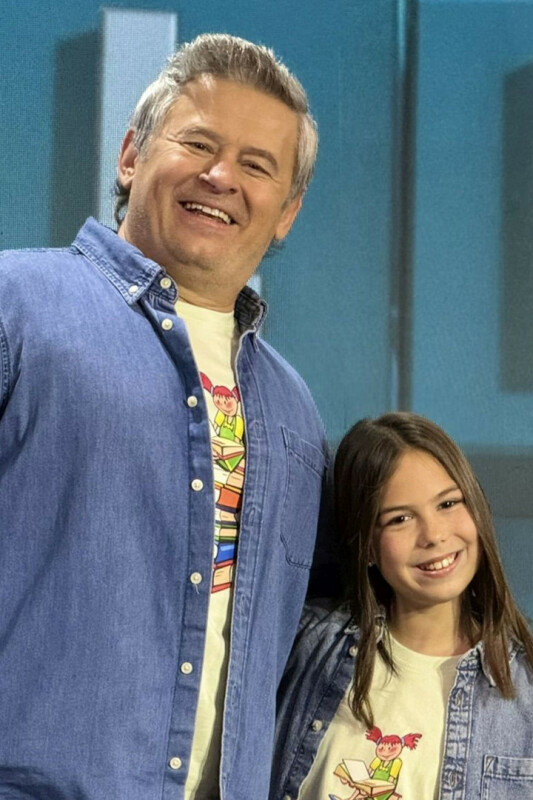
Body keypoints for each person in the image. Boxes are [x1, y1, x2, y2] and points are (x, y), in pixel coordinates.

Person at [0, 33, 329, 800]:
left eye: (256, 165)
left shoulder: (294, 411)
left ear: (286, 211)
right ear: (130, 155)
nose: (221, 177)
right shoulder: (15, 308)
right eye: (199, 144)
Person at [271, 412, 533, 800]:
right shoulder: (304, 645)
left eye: (448, 503)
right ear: (366, 545)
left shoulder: (525, 685)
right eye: (400, 519)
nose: (434, 535)